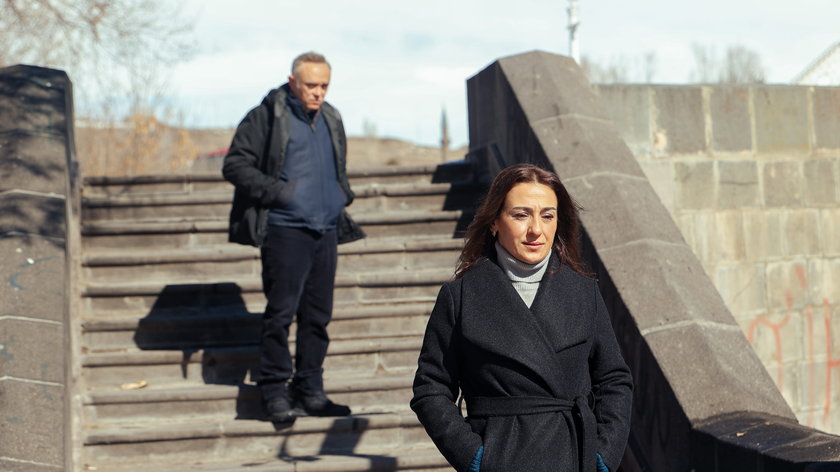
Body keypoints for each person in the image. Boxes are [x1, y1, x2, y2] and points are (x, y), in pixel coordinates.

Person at [411, 164, 633, 472]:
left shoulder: (584, 291)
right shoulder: (460, 296)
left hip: (575, 456)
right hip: (502, 456)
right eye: (521, 215)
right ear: (494, 222)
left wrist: (603, 456)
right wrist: (476, 458)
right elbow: (431, 388)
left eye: (547, 216)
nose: (536, 230)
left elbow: (614, 379)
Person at [222, 52, 365, 422]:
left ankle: (310, 390)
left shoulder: (331, 116)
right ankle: (274, 392)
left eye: (324, 85)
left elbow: (336, 166)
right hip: (285, 228)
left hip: (326, 228)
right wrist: (281, 193)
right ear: (292, 82)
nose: (318, 92)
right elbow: (235, 164)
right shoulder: (267, 115)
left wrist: (340, 195)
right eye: (311, 85)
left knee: (317, 316)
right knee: (281, 313)